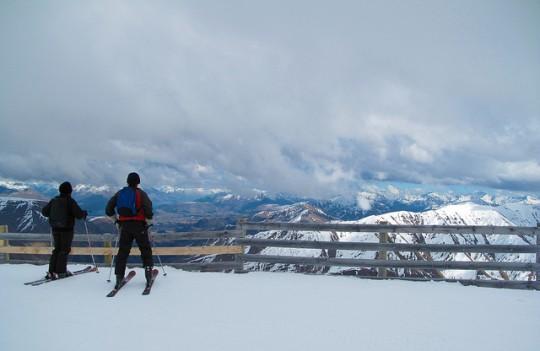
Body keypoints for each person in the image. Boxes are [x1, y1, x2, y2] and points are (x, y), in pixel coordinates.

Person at [105, 172, 154, 289]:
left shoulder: (120, 193)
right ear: (138, 182)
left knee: (123, 252)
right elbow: (148, 209)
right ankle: (148, 274)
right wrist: (148, 222)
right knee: (145, 249)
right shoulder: (141, 194)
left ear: (127, 181)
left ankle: (119, 277)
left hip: (125, 226)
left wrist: (116, 221)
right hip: (139, 226)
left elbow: (108, 209)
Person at [41, 181, 88, 279]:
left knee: (57, 249)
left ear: (60, 190)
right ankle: (61, 272)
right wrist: (84, 213)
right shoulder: (70, 201)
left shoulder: (54, 200)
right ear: (70, 191)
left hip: (55, 228)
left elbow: (44, 212)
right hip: (67, 229)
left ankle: (51, 271)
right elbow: (79, 215)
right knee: (64, 250)